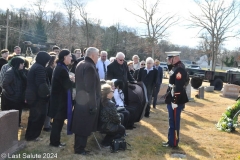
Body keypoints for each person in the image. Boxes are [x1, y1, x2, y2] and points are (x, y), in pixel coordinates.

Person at [71, 47, 101, 155]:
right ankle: (79, 149)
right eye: (97, 55)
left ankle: (78, 147)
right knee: (83, 126)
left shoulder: (81, 64)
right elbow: (90, 88)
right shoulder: (89, 67)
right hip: (87, 102)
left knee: (80, 124)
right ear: (92, 55)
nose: (98, 57)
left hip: (81, 99)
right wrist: (93, 105)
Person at [48, 49, 74, 147]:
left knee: (58, 122)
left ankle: (55, 141)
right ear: (64, 57)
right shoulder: (62, 69)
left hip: (59, 99)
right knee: (57, 122)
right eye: (70, 56)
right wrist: (72, 79)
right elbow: (66, 85)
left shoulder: (61, 67)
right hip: (59, 101)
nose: (71, 58)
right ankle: (54, 143)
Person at [162, 51, 189, 148]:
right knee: (171, 121)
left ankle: (173, 143)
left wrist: (175, 101)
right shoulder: (176, 67)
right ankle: (170, 140)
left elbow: (178, 87)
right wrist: (169, 64)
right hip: (172, 97)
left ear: (175, 58)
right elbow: (171, 75)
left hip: (176, 99)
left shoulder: (180, 70)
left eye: (170, 58)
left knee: (174, 121)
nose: (168, 60)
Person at [25, 51, 51, 141]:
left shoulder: (35, 66)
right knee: (39, 117)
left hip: (33, 96)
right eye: (47, 60)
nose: (48, 62)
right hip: (38, 97)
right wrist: (47, 94)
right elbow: (41, 84)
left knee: (34, 116)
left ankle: (30, 135)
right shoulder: (40, 68)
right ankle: (33, 136)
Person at [2, 57, 26, 126]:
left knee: (18, 112)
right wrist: (12, 93)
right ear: (17, 64)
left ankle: (16, 124)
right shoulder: (11, 72)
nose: (23, 65)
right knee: (12, 114)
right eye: (21, 63)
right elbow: (5, 84)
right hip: (11, 98)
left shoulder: (20, 72)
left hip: (18, 97)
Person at [43, 54, 57, 132]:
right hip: (50, 91)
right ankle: (46, 125)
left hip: (51, 90)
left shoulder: (51, 69)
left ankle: (48, 123)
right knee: (49, 109)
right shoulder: (49, 70)